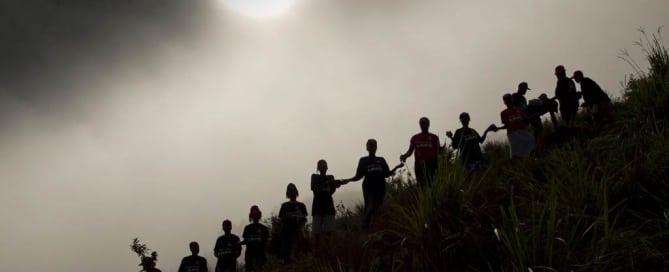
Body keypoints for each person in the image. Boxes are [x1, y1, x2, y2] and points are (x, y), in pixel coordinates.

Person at [342, 139, 403, 231]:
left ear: (376, 147)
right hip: (368, 188)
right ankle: (365, 228)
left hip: (380, 187)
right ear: (367, 147)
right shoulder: (363, 160)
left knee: (378, 207)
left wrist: (397, 167)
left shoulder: (381, 160)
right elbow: (358, 176)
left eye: (373, 145)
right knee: (369, 206)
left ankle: (376, 228)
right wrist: (348, 180)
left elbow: (387, 174)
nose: (372, 147)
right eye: (370, 145)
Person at [400, 117, 441, 187]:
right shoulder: (415, 137)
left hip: (432, 163)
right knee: (420, 184)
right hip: (419, 164)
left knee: (432, 183)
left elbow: (438, 151)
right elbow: (410, 151)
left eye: (425, 124)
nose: (423, 125)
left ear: (428, 125)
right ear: (420, 125)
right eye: (422, 124)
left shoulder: (434, 137)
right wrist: (405, 156)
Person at [310, 159, 341, 254]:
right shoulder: (314, 177)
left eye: (324, 165)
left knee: (329, 232)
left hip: (328, 208)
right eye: (321, 165)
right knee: (316, 234)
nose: (323, 167)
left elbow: (331, 191)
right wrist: (328, 183)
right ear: (318, 168)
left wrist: (336, 184)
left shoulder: (331, 177)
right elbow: (313, 188)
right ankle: (316, 253)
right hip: (317, 208)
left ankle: (327, 252)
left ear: (327, 167)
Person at [494, 94, 535, 158]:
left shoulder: (519, 109)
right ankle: (517, 162)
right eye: (507, 100)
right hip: (512, 133)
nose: (508, 101)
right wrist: (499, 128)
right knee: (516, 151)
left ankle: (531, 158)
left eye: (509, 99)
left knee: (530, 141)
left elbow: (525, 120)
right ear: (504, 102)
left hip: (522, 130)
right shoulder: (503, 113)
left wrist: (534, 115)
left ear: (512, 100)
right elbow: (506, 125)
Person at [278, 183, 308, 264]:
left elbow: (304, 218)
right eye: (290, 193)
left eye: (293, 193)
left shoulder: (301, 205)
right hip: (286, 232)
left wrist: (300, 228)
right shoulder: (284, 206)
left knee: (297, 251)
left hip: (297, 231)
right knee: (286, 252)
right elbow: (281, 218)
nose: (292, 195)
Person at [242, 205, 269, 272]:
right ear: (251, 215)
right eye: (253, 214)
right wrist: (239, 243)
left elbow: (266, 242)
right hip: (249, 255)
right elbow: (245, 241)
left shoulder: (264, 228)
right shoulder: (247, 228)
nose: (255, 216)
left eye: (256, 213)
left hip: (260, 254)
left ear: (259, 215)